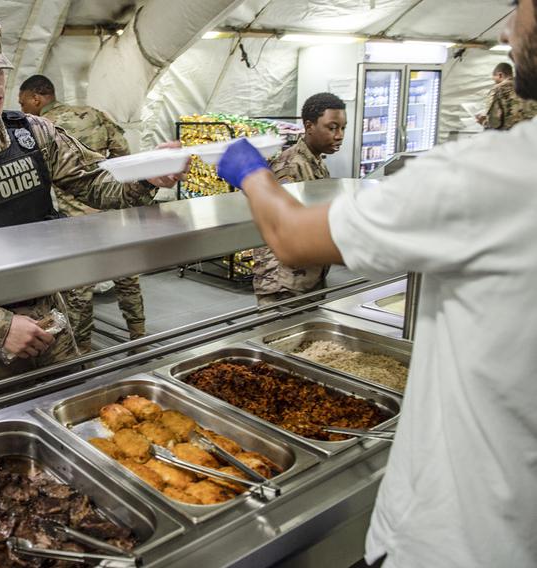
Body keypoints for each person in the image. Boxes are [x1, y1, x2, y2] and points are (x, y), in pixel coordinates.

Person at [214, 1, 537, 565]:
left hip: (454, 538)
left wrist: (247, 171)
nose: (508, 27)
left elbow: (289, 234)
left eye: (520, 6)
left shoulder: (494, 172)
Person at [0, 13, 181, 391]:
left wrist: (147, 174)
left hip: (52, 327)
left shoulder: (34, 135)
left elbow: (98, 185)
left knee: (71, 423)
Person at [18, 74, 146, 352]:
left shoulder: (41, 129)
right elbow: (123, 153)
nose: (23, 109)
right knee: (127, 276)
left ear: (36, 98)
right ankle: (139, 337)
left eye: (24, 102)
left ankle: (83, 351)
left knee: (80, 290)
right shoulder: (94, 114)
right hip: (114, 212)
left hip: (79, 223)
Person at [250, 92, 346, 307]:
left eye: (342, 128)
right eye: (332, 128)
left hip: (306, 275)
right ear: (309, 126)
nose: (339, 135)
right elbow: (285, 226)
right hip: (284, 282)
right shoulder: (292, 166)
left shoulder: (315, 161)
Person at [476, 62, 537, 130]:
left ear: (500, 75)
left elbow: (494, 123)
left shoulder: (497, 89)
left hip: (511, 136)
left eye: (495, 80)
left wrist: (484, 122)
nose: (495, 83)